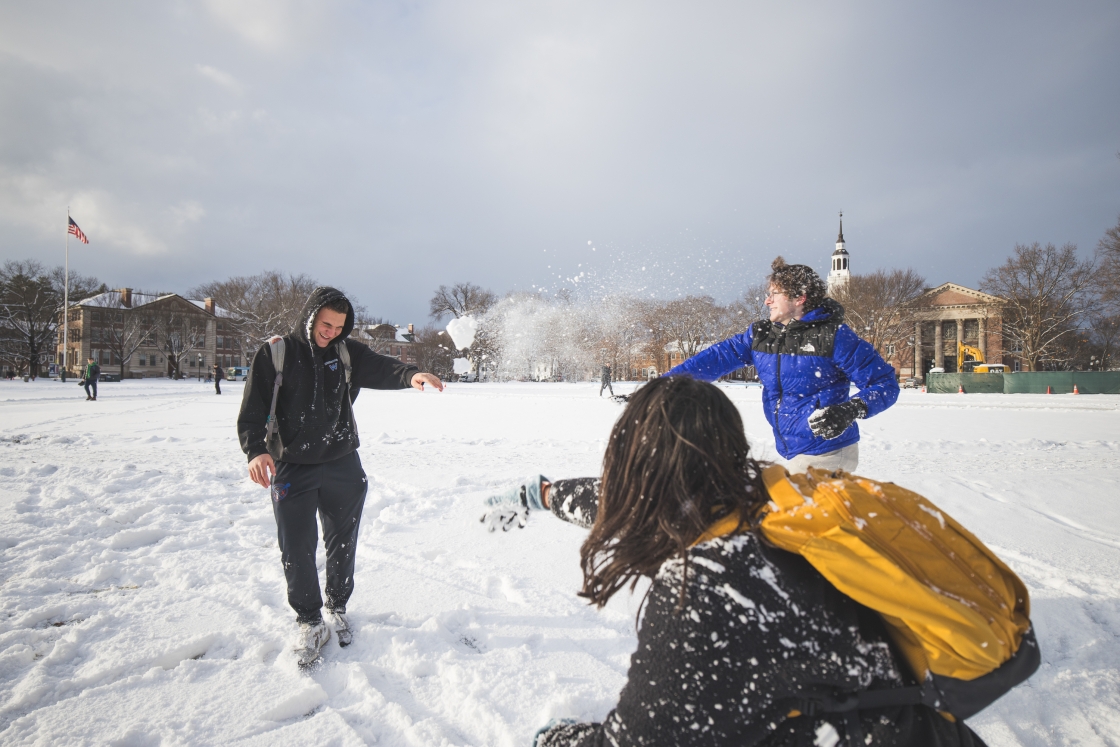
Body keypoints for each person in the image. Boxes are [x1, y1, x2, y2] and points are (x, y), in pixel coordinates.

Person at [484, 377, 987, 746]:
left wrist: (558, 739)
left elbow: (638, 743)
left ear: (635, 464)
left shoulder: (706, 592)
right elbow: (634, 504)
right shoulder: (768, 503)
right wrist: (545, 495)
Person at [237, 287, 445, 667]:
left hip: (342, 463)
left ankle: (337, 606)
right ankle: (310, 620)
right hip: (291, 467)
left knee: (342, 542)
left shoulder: (346, 353)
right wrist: (256, 450)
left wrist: (412, 376)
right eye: (325, 323)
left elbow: (385, 366)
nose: (330, 331)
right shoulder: (277, 352)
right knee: (296, 546)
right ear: (310, 316)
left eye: (339, 325)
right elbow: (252, 407)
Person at [666, 257, 898, 472]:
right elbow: (715, 359)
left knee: (789, 513)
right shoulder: (762, 335)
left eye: (774, 294)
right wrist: (665, 385)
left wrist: (850, 409)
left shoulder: (834, 337)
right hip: (793, 451)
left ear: (799, 298)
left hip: (828, 452)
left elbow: (885, 384)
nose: (767, 300)